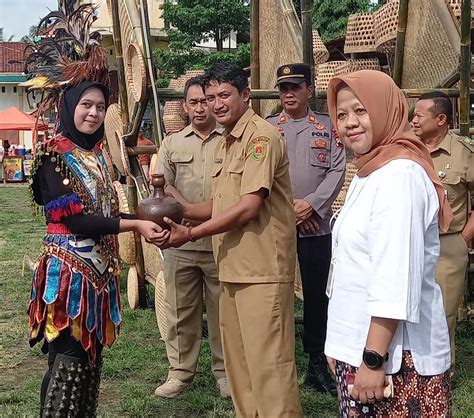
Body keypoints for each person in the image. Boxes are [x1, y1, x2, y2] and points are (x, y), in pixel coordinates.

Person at [155, 62, 302, 417]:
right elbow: (220, 204)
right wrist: (178, 213)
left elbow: (249, 207)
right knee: (240, 367)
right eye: (210, 97)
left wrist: (188, 234)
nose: (216, 104)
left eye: (224, 95)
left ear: (245, 94)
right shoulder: (228, 141)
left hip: (262, 271)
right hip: (233, 267)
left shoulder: (261, 138)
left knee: (269, 366)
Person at [28, 81, 167, 416]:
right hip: (66, 278)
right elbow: (76, 222)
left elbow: (106, 214)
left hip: (98, 277)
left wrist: (144, 218)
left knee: (89, 364)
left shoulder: (99, 154)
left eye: (101, 107)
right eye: (86, 105)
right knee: (68, 362)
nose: (93, 113)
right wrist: (135, 225)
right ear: (70, 106)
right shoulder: (53, 156)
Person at [324, 70, 453, 417]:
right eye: (341, 114)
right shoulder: (370, 171)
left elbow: (394, 278)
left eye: (361, 110)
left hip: (397, 363)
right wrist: (338, 343)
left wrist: (371, 358)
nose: (350, 122)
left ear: (385, 110)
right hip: (363, 348)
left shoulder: (400, 176)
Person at [267, 63, 345, 396]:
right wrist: (291, 212)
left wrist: (311, 205)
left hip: (316, 225)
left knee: (317, 297)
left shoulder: (328, 127)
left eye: (294, 88)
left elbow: (337, 170)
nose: (288, 94)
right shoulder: (268, 129)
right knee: (274, 293)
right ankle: (276, 360)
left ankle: (316, 361)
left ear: (308, 91)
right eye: (283, 88)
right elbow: (262, 176)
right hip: (275, 226)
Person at [153, 76, 228, 399]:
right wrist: (184, 208)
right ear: (184, 106)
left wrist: (189, 211)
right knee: (181, 311)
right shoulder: (172, 143)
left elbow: (233, 194)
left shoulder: (230, 139)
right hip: (180, 243)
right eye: (193, 102)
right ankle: (180, 373)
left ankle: (225, 373)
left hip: (220, 241)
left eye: (205, 101)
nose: (200, 108)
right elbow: (162, 186)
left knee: (224, 312)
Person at [412, 92, 474, 365]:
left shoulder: (463, 154)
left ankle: (441, 374)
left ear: (441, 119)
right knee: (407, 309)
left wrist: (464, 238)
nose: (413, 120)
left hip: (447, 245)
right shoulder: (405, 148)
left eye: (419, 115)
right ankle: (409, 372)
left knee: (443, 314)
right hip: (409, 242)